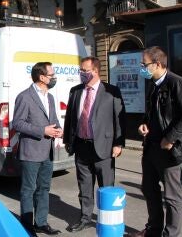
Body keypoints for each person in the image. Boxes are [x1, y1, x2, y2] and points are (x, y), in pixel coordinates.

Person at [133, 46, 182, 237]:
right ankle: (153, 230)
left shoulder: (177, 83)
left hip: (169, 151)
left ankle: (170, 234)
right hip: (151, 148)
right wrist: (143, 125)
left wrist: (171, 138)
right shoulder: (153, 85)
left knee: (172, 196)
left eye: (144, 64)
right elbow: (153, 115)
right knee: (149, 190)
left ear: (157, 64)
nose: (141, 67)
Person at [63, 56, 126, 233]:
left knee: (106, 186)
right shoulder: (75, 91)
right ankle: (85, 217)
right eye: (80, 70)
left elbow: (119, 119)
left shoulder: (111, 91)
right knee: (84, 186)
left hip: (104, 147)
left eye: (85, 70)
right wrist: (68, 140)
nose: (81, 73)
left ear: (96, 71)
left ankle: (107, 219)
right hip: (81, 147)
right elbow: (70, 118)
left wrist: (119, 143)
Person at [12, 62, 63, 237]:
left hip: (47, 152)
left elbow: (54, 119)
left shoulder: (50, 97)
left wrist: (58, 129)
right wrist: (43, 131)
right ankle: (26, 226)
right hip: (31, 152)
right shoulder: (24, 97)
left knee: (44, 189)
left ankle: (41, 223)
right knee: (28, 189)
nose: (54, 77)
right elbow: (17, 123)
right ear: (42, 77)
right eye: (51, 74)